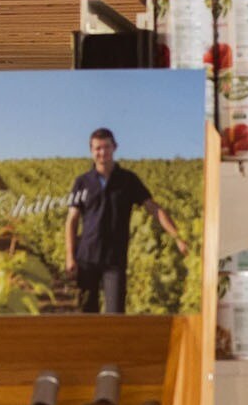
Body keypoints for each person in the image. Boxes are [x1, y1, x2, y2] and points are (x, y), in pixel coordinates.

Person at [65, 127, 193, 314]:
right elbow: (72, 220)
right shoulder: (82, 182)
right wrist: (70, 256)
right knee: (87, 315)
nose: (102, 152)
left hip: (115, 260)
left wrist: (177, 237)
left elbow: (154, 209)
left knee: (116, 315)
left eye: (106, 147)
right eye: (97, 148)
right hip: (87, 259)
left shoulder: (128, 180)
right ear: (91, 151)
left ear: (114, 147)